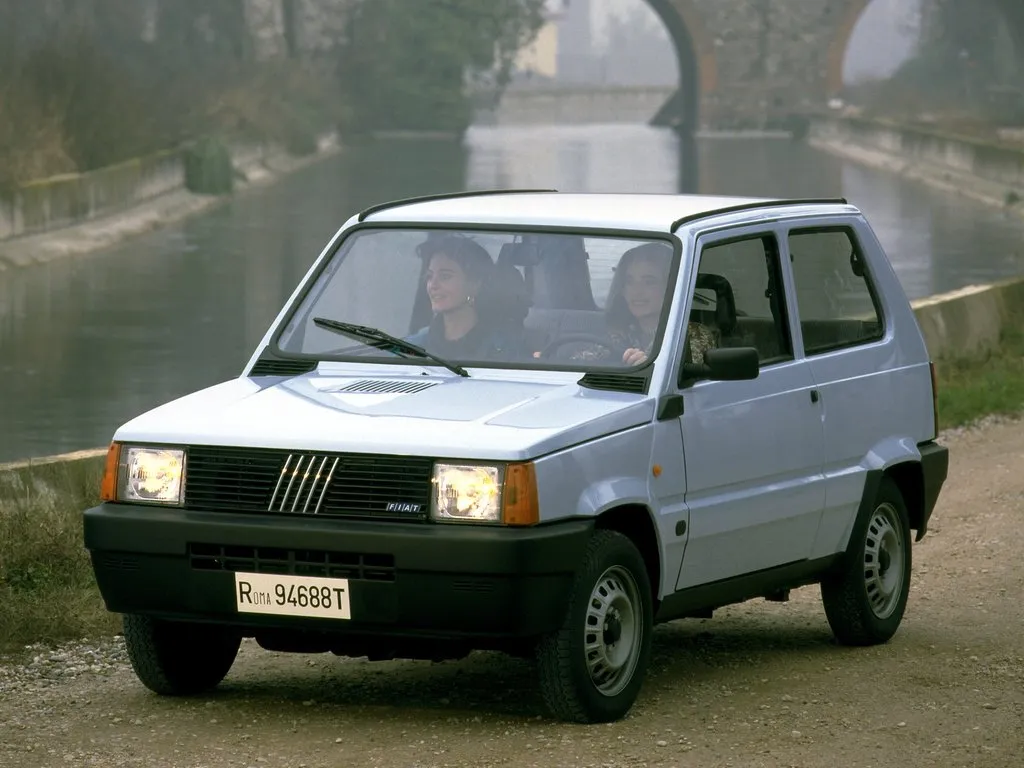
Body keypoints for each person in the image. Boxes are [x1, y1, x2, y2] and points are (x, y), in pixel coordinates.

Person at [572, 242, 718, 366]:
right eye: (629, 281)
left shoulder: (693, 334)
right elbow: (582, 362)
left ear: (671, 287)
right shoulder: (620, 332)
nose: (637, 291)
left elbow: (688, 381)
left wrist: (648, 367)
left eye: (649, 282)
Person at [407, 235, 524, 361]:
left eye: (445, 276)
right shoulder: (411, 348)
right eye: (429, 276)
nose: (433, 285)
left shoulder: (507, 351)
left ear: (474, 284)